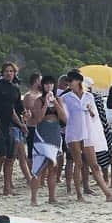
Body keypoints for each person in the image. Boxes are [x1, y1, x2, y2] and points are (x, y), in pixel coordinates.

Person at [72, 72, 112, 202]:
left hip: (88, 133)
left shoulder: (89, 96)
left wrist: (89, 110)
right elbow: (65, 117)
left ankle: (108, 194)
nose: (70, 83)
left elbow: (96, 116)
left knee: (94, 165)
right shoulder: (66, 97)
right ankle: (79, 194)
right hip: (74, 133)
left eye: (72, 80)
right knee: (78, 164)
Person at [0, 62, 27, 196]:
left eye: (11, 71)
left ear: (15, 73)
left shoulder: (15, 89)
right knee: (1, 156)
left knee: (10, 157)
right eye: (6, 71)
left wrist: (25, 117)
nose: (9, 73)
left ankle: (7, 187)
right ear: (2, 72)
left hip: (12, 125)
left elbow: (18, 108)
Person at [29, 75, 67, 205]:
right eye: (46, 84)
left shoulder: (59, 99)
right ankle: (33, 198)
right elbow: (38, 118)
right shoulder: (38, 100)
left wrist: (55, 103)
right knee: (38, 166)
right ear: (43, 86)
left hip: (55, 132)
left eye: (51, 84)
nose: (49, 86)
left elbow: (64, 119)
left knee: (53, 167)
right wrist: (46, 103)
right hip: (43, 133)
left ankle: (52, 197)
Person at [22, 72, 42, 161]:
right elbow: (32, 113)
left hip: (42, 127)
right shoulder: (29, 96)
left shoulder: (41, 94)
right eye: (41, 80)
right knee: (31, 152)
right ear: (37, 81)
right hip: (32, 127)